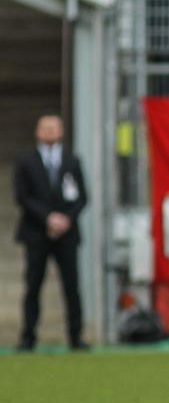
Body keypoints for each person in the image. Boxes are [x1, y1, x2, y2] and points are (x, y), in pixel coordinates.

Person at [14, 115, 89, 352]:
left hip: (67, 235)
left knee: (72, 286)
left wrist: (65, 219)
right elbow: (22, 197)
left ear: (61, 130)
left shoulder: (72, 160)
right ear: (37, 131)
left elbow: (82, 196)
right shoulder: (26, 161)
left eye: (53, 127)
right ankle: (28, 337)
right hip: (37, 233)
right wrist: (48, 218)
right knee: (33, 285)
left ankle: (76, 337)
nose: (49, 131)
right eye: (45, 127)